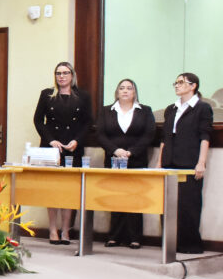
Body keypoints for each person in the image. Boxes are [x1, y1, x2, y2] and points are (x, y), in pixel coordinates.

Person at [33, 61, 92, 245]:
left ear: (72, 75)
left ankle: (66, 230)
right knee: (52, 190)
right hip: (51, 147)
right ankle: (53, 230)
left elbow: (87, 123)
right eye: (58, 73)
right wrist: (50, 140)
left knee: (69, 190)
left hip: (72, 147)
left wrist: (77, 141)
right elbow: (38, 120)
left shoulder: (83, 96)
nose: (62, 76)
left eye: (65, 73)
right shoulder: (47, 94)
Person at [154, 72, 212, 254]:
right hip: (169, 162)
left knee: (188, 206)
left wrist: (201, 162)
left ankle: (190, 245)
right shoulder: (171, 109)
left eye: (181, 82)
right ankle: (171, 244)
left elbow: (205, 137)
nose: (177, 85)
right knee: (167, 205)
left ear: (193, 86)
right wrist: (159, 162)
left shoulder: (202, 108)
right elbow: (164, 138)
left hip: (189, 163)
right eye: (176, 83)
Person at [96, 78, 155, 249]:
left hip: (136, 160)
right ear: (117, 92)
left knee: (134, 198)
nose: (125, 91)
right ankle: (114, 236)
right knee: (115, 197)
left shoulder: (145, 111)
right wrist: (115, 150)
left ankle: (135, 237)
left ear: (135, 92)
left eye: (129, 88)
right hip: (113, 160)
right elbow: (100, 134)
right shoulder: (106, 111)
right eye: (122, 88)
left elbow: (149, 134)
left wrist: (131, 152)